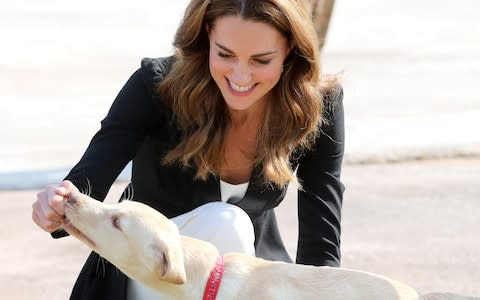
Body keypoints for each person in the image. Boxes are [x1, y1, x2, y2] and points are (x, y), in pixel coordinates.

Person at [31, 0, 345, 299]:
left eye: (261, 60)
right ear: (207, 34)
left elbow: (321, 248)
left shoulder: (317, 106)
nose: (240, 76)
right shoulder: (155, 87)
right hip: (144, 274)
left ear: (290, 49)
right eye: (225, 54)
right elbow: (87, 183)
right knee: (227, 223)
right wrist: (56, 208)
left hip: (247, 282)